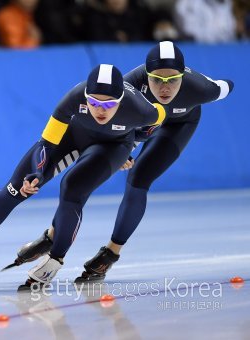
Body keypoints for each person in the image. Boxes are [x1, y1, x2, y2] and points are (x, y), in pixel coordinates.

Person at [0, 64, 166, 290]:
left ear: (121, 100)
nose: (101, 110)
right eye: (95, 103)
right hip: (72, 137)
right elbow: (47, 143)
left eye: (109, 104)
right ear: (86, 97)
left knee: (72, 190)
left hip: (112, 147)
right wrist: (37, 171)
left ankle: (54, 260)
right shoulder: (73, 98)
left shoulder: (140, 108)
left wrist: (131, 147)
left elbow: (158, 120)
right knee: (14, 189)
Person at [14, 41, 235, 283]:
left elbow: (226, 86)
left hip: (176, 126)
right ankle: (54, 235)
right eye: (156, 79)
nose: (165, 87)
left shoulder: (202, 89)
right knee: (83, 178)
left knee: (139, 178)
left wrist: (209, 81)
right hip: (138, 127)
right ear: (145, 74)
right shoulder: (131, 85)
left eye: (173, 79)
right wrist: (123, 149)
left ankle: (111, 253)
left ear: (183, 75)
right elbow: (119, 124)